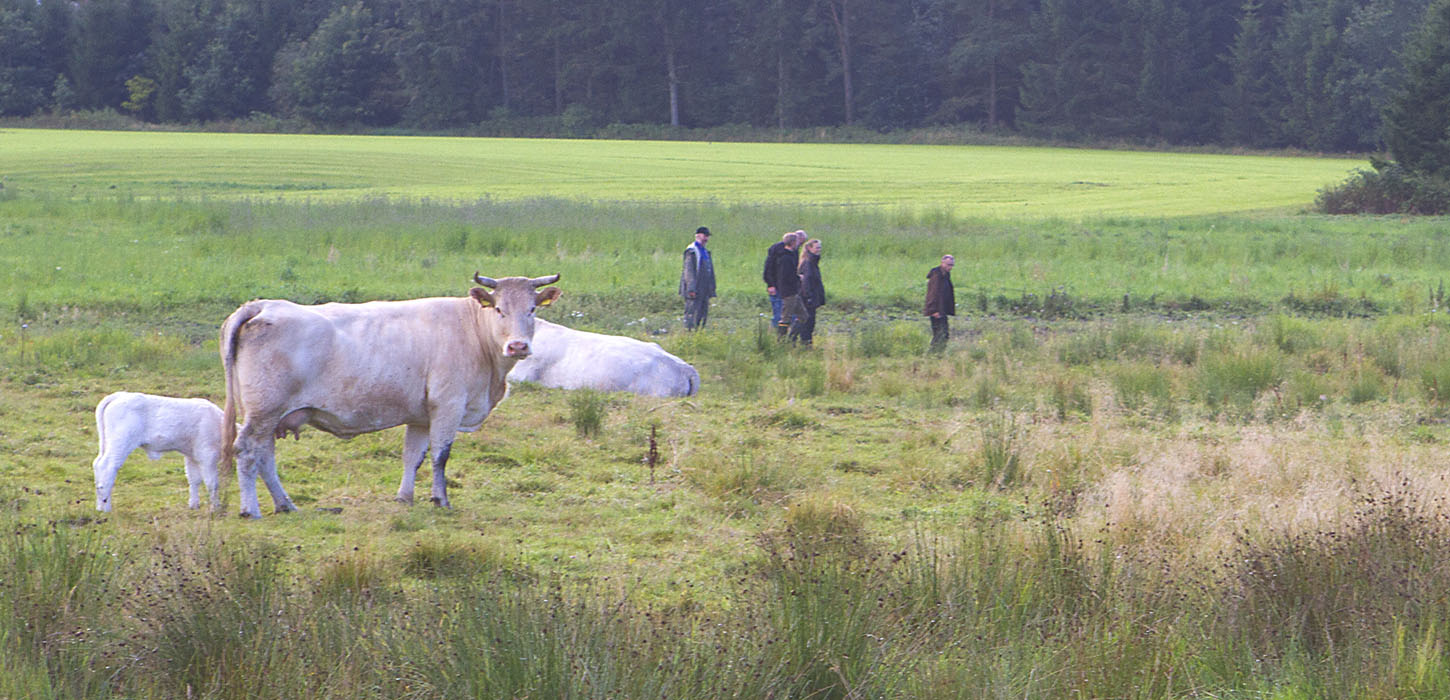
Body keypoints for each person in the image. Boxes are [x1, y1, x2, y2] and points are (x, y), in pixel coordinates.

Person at [763, 230, 804, 328]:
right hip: (778, 286)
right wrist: (770, 284)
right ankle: (780, 336)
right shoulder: (780, 253)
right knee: (780, 313)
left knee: (791, 313)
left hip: (790, 288)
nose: (800, 245)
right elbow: (768, 268)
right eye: (800, 242)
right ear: (795, 240)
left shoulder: (793, 251)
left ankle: (788, 335)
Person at [679, 226, 716, 330]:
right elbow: (689, 271)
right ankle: (689, 334)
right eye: (705, 236)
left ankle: (699, 333)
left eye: (708, 236)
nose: (706, 239)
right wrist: (691, 289)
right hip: (695, 288)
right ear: (698, 235)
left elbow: (710, 270)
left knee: (702, 313)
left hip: (704, 288)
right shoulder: (692, 251)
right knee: (692, 313)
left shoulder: (705, 251)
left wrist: (711, 288)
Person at [790, 238, 825, 346]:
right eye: (817, 247)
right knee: (806, 320)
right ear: (809, 248)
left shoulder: (812, 262)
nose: (819, 250)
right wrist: (809, 296)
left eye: (820, 247)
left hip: (811, 296)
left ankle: (803, 342)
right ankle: (796, 340)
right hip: (807, 297)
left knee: (808, 320)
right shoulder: (808, 263)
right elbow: (806, 281)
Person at [774, 231, 806, 339]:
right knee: (785, 318)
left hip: (794, 291)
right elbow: (786, 276)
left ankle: (791, 338)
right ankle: (781, 341)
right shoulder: (785, 258)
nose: (799, 243)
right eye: (797, 241)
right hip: (788, 292)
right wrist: (799, 278)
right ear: (792, 242)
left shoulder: (791, 255)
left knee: (804, 316)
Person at [924, 254, 955, 353]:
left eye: (952, 265)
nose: (950, 267)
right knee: (940, 334)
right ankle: (933, 354)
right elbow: (932, 293)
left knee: (943, 334)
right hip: (936, 310)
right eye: (948, 264)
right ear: (942, 263)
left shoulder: (945, 275)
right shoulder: (937, 275)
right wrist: (934, 310)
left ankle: (937, 354)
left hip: (942, 309)